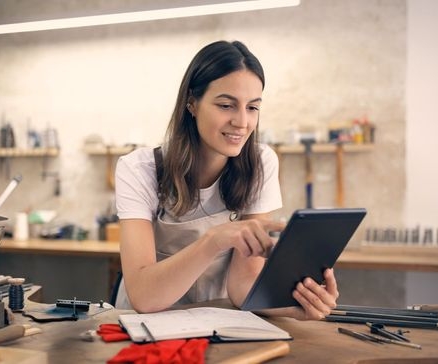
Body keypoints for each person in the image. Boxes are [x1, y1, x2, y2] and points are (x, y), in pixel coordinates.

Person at [113, 40, 338, 320]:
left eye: (252, 107)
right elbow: (144, 297)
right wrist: (213, 240)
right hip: (144, 323)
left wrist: (295, 308)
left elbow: (243, 287)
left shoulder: (260, 163)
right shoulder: (139, 169)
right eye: (226, 105)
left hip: (215, 318)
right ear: (192, 104)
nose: (242, 122)